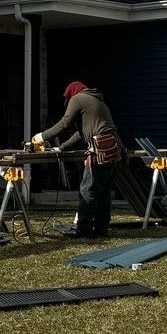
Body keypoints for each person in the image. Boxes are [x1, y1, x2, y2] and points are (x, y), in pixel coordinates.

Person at [33, 81, 125, 238]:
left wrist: (41, 136)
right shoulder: (96, 99)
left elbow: (63, 124)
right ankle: (101, 230)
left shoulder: (78, 99)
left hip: (100, 150)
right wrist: (61, 147)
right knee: (103, 193)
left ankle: (83, 230)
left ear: (71, 95)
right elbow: (79, 134)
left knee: (87, 191)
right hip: (115, 150)